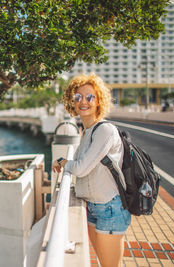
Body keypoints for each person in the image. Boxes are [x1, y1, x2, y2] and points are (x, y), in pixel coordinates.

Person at [52, 73, 131, 267]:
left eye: (90, 97)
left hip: (110, 208)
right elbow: (80, 161)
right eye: (78, 97)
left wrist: (64, 164)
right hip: (94, 206)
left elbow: (80, 168)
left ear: (98, 101)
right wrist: (65, 161)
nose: (83, 101)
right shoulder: (88, 131)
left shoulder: (105, 130)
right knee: (102, 262)